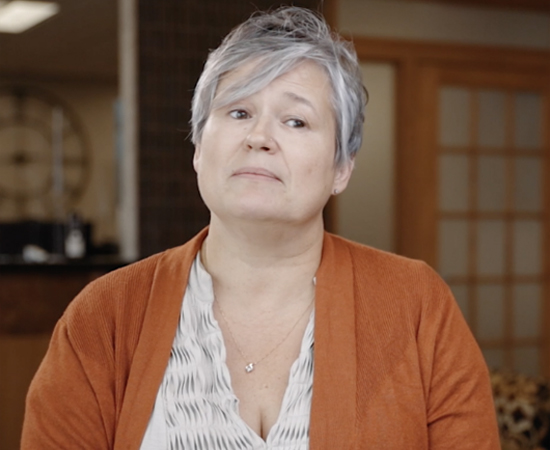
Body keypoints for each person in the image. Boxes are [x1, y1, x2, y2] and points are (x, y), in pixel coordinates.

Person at [22, 6, 500, 449]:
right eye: (238, 112)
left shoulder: (415, 304)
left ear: (342, 168)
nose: (259, 138)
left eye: (295, 121)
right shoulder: (104, 317)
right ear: (197, 148)